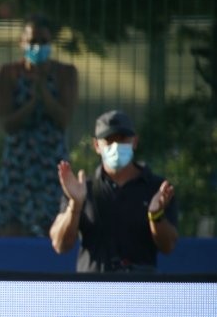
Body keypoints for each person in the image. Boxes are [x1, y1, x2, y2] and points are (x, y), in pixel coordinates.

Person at [49, 109, 179, 272]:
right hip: (93, 291)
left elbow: (168, 246)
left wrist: (156, 214)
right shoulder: (82, 188)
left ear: (135, 142)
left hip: (140, 290)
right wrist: (75, 205)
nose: (116, 147)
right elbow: (60, 245)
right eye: (109, 141)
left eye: (123, 139)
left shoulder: (157, 189)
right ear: (97, 145)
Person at [0, 14, 78, 237]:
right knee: (12, 223)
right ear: (22, 42)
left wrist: (44, 94)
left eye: (43, 42)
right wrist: (32, 104)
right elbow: (7, 123)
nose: (37, 47)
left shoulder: (65, 74)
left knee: (53, 221)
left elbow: (63, 120)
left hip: (51, 160)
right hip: (19, 161)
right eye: (32, 41)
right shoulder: (7, 74)